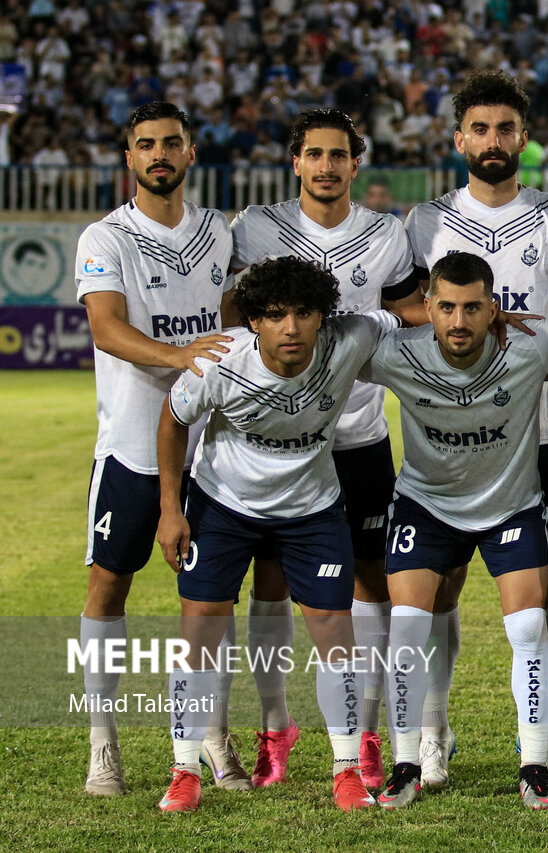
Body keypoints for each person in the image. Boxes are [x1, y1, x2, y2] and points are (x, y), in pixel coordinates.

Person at [154, 256, 399, 813]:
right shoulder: (219, 363)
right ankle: (184, 771)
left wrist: (490, 318)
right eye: (274, 315)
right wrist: (172, 509)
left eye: (304, 313)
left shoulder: (351, 337)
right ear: (253, 321)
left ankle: (345, 772)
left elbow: (412, 318)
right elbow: (173, 418)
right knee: (198, 636)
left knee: (336, 637)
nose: (291, 327)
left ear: (323, 316)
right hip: (224, 507)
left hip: (312, 510)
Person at [403, 69, 548, 788]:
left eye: (505, 129)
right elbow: (404, 308)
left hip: (536, 433)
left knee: (540, 591)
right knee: (439, 586)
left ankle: (547, 742)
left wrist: (539, 330)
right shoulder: (426, 223)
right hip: (447, 435)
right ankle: (432, 732)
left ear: (523, 138)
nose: (492, 140)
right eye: (479, 129)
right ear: (460, 140)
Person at [229, 108, 420, 791]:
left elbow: (411, 310)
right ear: (296, 162)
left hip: (360, 436)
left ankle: (363, 734)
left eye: (338, 155)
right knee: (273, 583)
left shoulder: (385, 235)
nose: (327, 166)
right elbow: (232, 316)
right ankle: (275, 728)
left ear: (354, 164)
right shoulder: (255, 228)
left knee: (373, 587)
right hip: (281, 440)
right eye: (314, 154)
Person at [360, 252, 548, 811]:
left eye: (474, 308)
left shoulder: (533, 346)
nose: (460, 322)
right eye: (448, 308)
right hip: (426, 506)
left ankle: (535, 765)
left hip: (511, 507)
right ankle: (408, 762)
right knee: (407, 630)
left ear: (494, 310)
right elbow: (331, 343)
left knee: (529, 627)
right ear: (427, 309)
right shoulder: (395, 352)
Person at [75, 101, 241, 797]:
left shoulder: (220, 235)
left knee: (206, 600)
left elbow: (233, 324)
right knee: (108, 586)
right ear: (130, 158)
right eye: (146, 145)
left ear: (190, 152)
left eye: (171, 142)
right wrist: (182, 355)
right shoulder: (105, 236)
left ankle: (205, 729)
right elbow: (107, 329)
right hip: (132, 452)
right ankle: (102, 742)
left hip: (212, 454)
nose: (159, 154)